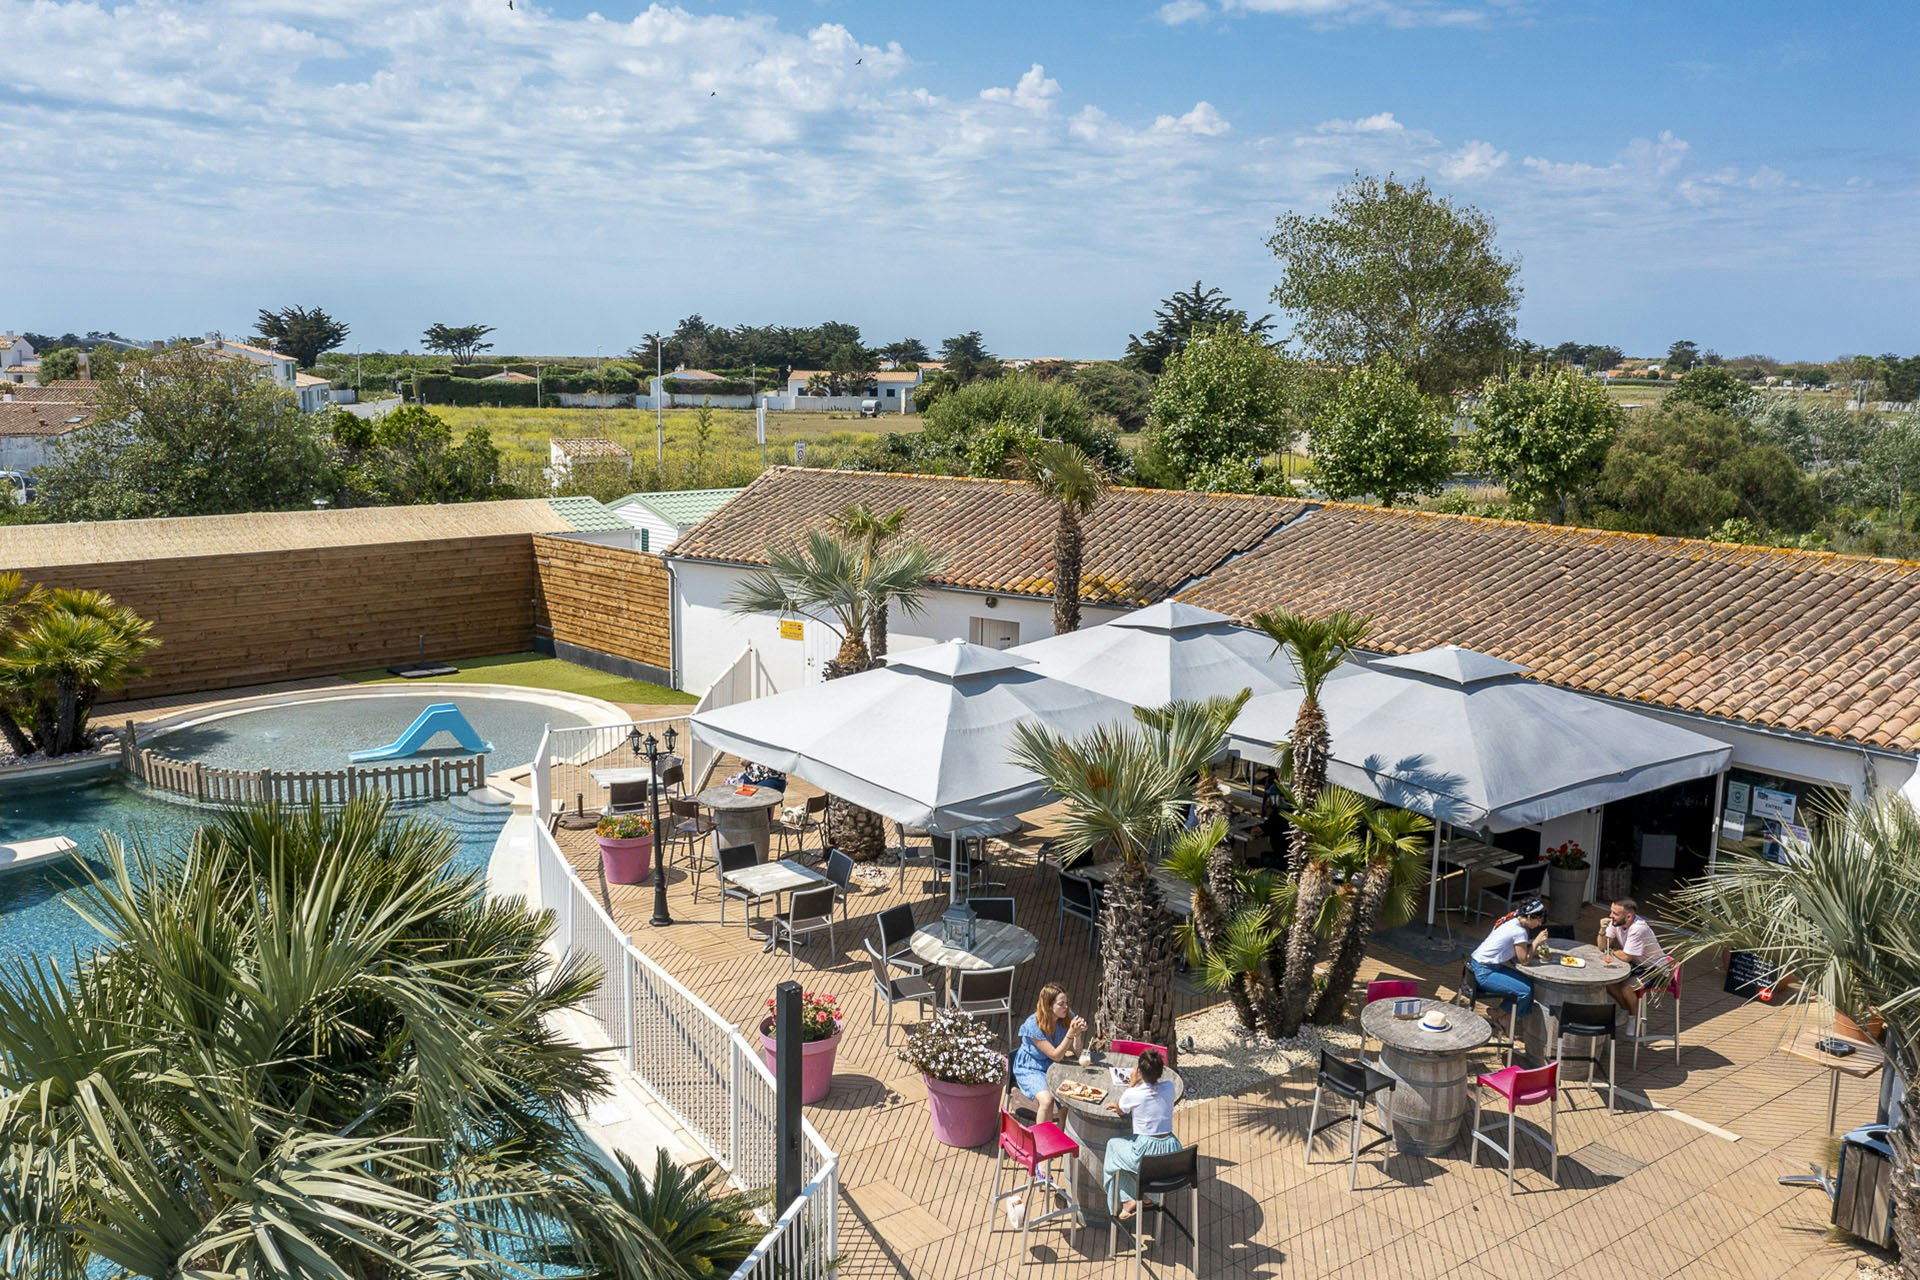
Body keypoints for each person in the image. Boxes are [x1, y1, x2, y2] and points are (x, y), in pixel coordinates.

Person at [1103, 1048, 1181, 1220]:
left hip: (1146, 1154)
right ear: (1160, 1071)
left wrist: (1132, 1085)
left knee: (1113, 1148)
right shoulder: (1169, 1087)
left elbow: (1121, 1110)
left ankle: (1124, 1202)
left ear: (1138, 1071)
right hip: (1172, 1150)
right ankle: (1148, 1197)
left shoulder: (1132, 1093)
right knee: (1123, 1156)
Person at [1012, 984, 1087, 1126]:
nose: (1066, 1007)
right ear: (1048, 1006)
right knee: (1047, 1101)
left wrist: (1077, 1034)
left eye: (1066, 1003)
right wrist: (1070, 1034)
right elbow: (1055, 1055)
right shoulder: (1033, 1025)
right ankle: (1041, 1137)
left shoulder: (1067, 1017)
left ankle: (1062, 1133)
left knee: (1067, 1098)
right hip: (1031, 1067)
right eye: (1061, 1004)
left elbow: (1078, 1052)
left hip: (1054, 1065)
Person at [1468, 897, 1549, 1021]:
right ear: (1529, 917)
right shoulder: (1519, 931)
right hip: (1484, 972)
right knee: (1526, 991)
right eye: (1539, 921)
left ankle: (1499, 1013)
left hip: (1475, 965)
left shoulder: (1510, 918)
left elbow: (1518, 948)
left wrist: (1533, 949)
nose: (1539, 924)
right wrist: (1536, 942)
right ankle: (1508, 1020)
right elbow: (1524, 960)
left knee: (1528, 982)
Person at [1597, 897, 1664, 1027]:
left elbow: (1626, 956)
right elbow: (1602, 947)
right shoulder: (1616, 922)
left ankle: (1634, 1018)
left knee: (1627, 988)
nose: (1611, 916)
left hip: (1655, 969)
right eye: (1611, 911)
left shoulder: (1638, 928)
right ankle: (1625, 1010)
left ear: (1628, 917)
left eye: (1615, 913)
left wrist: (1612, 951)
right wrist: (1602, 930)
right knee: (1608, 982)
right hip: (1637, 964)